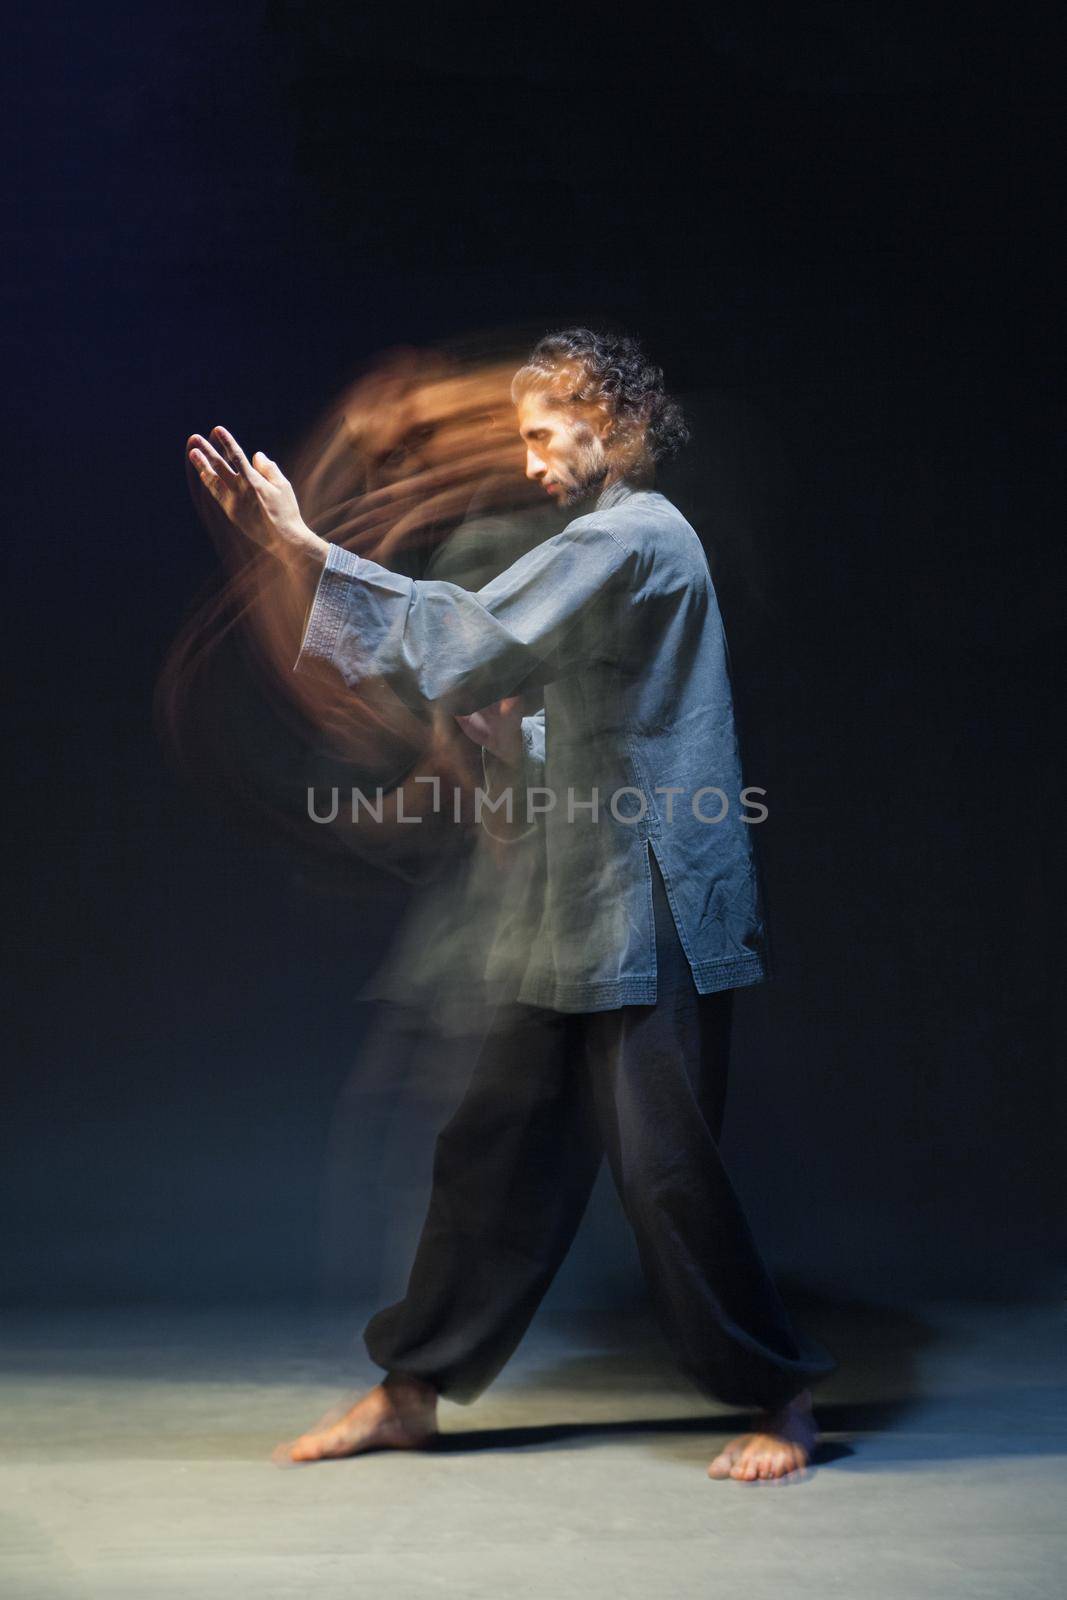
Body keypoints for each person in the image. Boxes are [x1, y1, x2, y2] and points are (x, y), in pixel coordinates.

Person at [186, 327, 836, 1483]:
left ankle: (777, 1395)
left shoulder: (635, 534)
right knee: (492, 1149)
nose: (530, 461)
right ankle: (410, 1389)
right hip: (571, 895)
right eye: (523, 440)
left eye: (545, 435)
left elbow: (474, 635)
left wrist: (298, 542)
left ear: (613, 421)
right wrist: (496, 736)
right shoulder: (594, 546)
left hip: (656, 902)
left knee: (663, 1167)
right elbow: (538, 688)